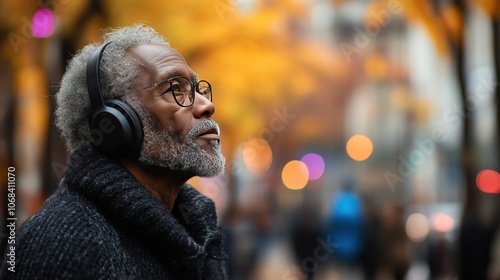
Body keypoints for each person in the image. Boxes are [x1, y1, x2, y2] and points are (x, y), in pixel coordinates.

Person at [0, 24, 228, 279]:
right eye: (175, 89)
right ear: (116, 123)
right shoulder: (58, 243)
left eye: (197, 89)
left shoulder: (199, 230)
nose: (207, 105)